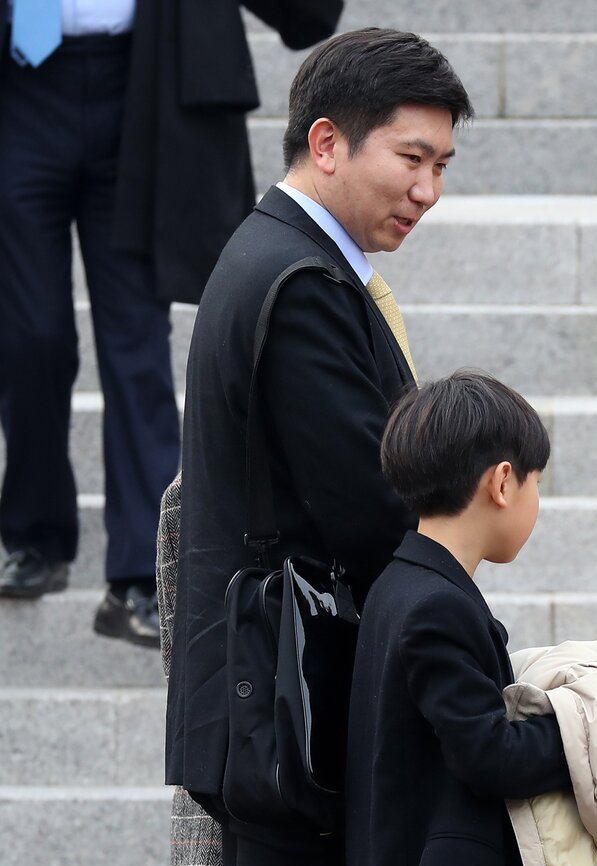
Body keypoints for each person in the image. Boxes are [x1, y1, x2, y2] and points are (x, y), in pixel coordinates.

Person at [166, 28, 471, 866]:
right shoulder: (300, 279)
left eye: (444, 164)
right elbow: (373, 511)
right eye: (412, 158)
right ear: (329, 140)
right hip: (287, 713)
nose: (429, 191)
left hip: (275, 706)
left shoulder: (289, 257)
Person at [0, 0, 342, 645]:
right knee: (27, 340)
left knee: (137, 350)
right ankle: (35, 536)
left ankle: (140, 575)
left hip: (141, 93)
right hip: (21, 92)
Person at [346, 370, 572, 866]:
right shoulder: (436, 606)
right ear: (502, 482)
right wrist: (588, 730)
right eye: (536, 482)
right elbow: (489, 755)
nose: (536, 502)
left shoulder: (398, 587)